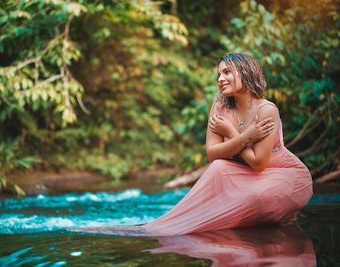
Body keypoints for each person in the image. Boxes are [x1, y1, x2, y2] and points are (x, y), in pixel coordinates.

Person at [69, 53, 313, 236]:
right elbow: (212, 154)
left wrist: (233, 134)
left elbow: (260, 163)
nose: (220, 79)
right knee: (218, 169)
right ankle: (173, 225)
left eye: (227, 72)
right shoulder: (220, 107)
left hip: (280, 173)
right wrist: (242, 136)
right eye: (219, 74)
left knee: (258, 196)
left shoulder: (267, 110)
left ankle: (276, 213)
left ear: (247, 72)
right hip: (246, 171)